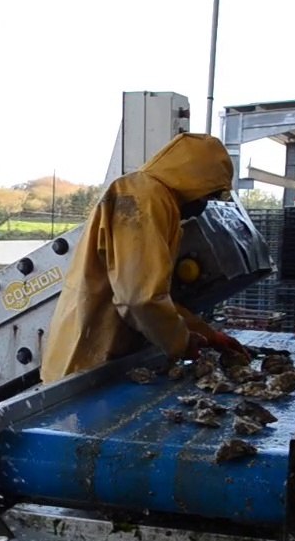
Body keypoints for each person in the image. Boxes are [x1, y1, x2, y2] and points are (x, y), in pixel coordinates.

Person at [40, 133, 248, 384]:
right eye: (209, 195)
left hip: (106, 355)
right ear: (196, 181)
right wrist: (182, 342)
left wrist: (207, 334)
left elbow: (153, 294)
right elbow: (139, 298)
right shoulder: (144, 197)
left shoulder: (159, 200)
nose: (205, 204)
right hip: (86, 357)